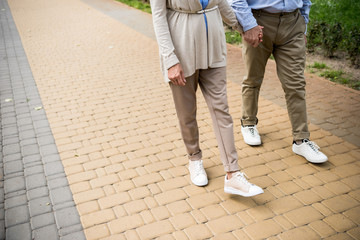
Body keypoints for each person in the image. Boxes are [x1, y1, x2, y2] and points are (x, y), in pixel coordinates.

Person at [150, 0, 263, 197]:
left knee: (221, 109)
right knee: (187, 111)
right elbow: (159, 17)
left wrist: (243, 27)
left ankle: (233, 173)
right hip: (181, 46)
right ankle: (194, 158)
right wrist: (169, 59)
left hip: (213, 46)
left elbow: (222, 3)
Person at [229, 0, 328, 163]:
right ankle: (248, 123)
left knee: (296, 84)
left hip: (293, 23)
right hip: (259, 22)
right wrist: (248, 25)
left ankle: (301, 139)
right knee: (253, 78)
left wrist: (303, 22)